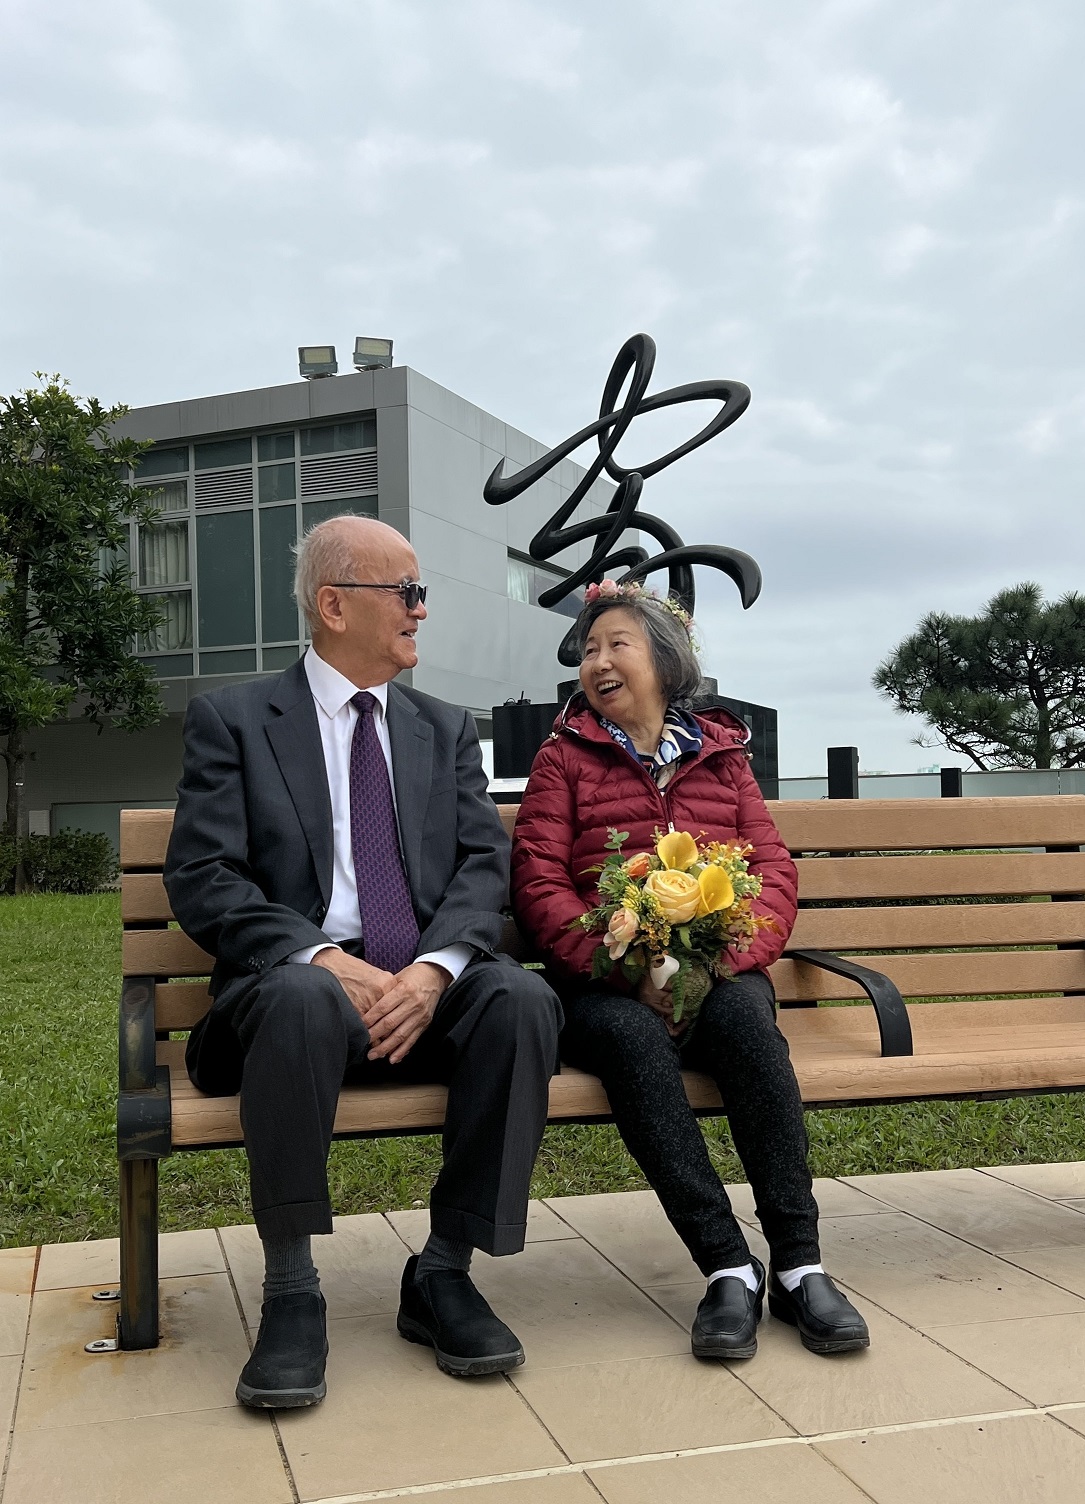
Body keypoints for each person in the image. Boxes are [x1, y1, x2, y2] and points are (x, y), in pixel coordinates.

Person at [165, 515, 562, 1408]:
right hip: (290, 1000)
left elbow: (481, 862)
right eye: (407, 592)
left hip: (419, 990)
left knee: (518, 1002)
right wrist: (316, 956)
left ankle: (444, 1273)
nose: (422, 610)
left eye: (422, 593)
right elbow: (203, 874)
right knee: (303, 997)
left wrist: (435, 970)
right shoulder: (235, 721)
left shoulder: (441, 728)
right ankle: (292, 1291)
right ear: (335, 605)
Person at [511, 582, 869, 1361]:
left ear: (666, 662)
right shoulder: (562, 758)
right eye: (589, 650)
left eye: (617, 644)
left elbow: (771, 872)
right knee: (632, 1042)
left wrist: (717, 962)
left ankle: (799, 1265)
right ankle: (726, 1267)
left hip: (719, 974)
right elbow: (539, 884)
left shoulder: (722, 756)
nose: (598, 662)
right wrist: (625, 966)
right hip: (604, 986)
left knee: (748, 1027)